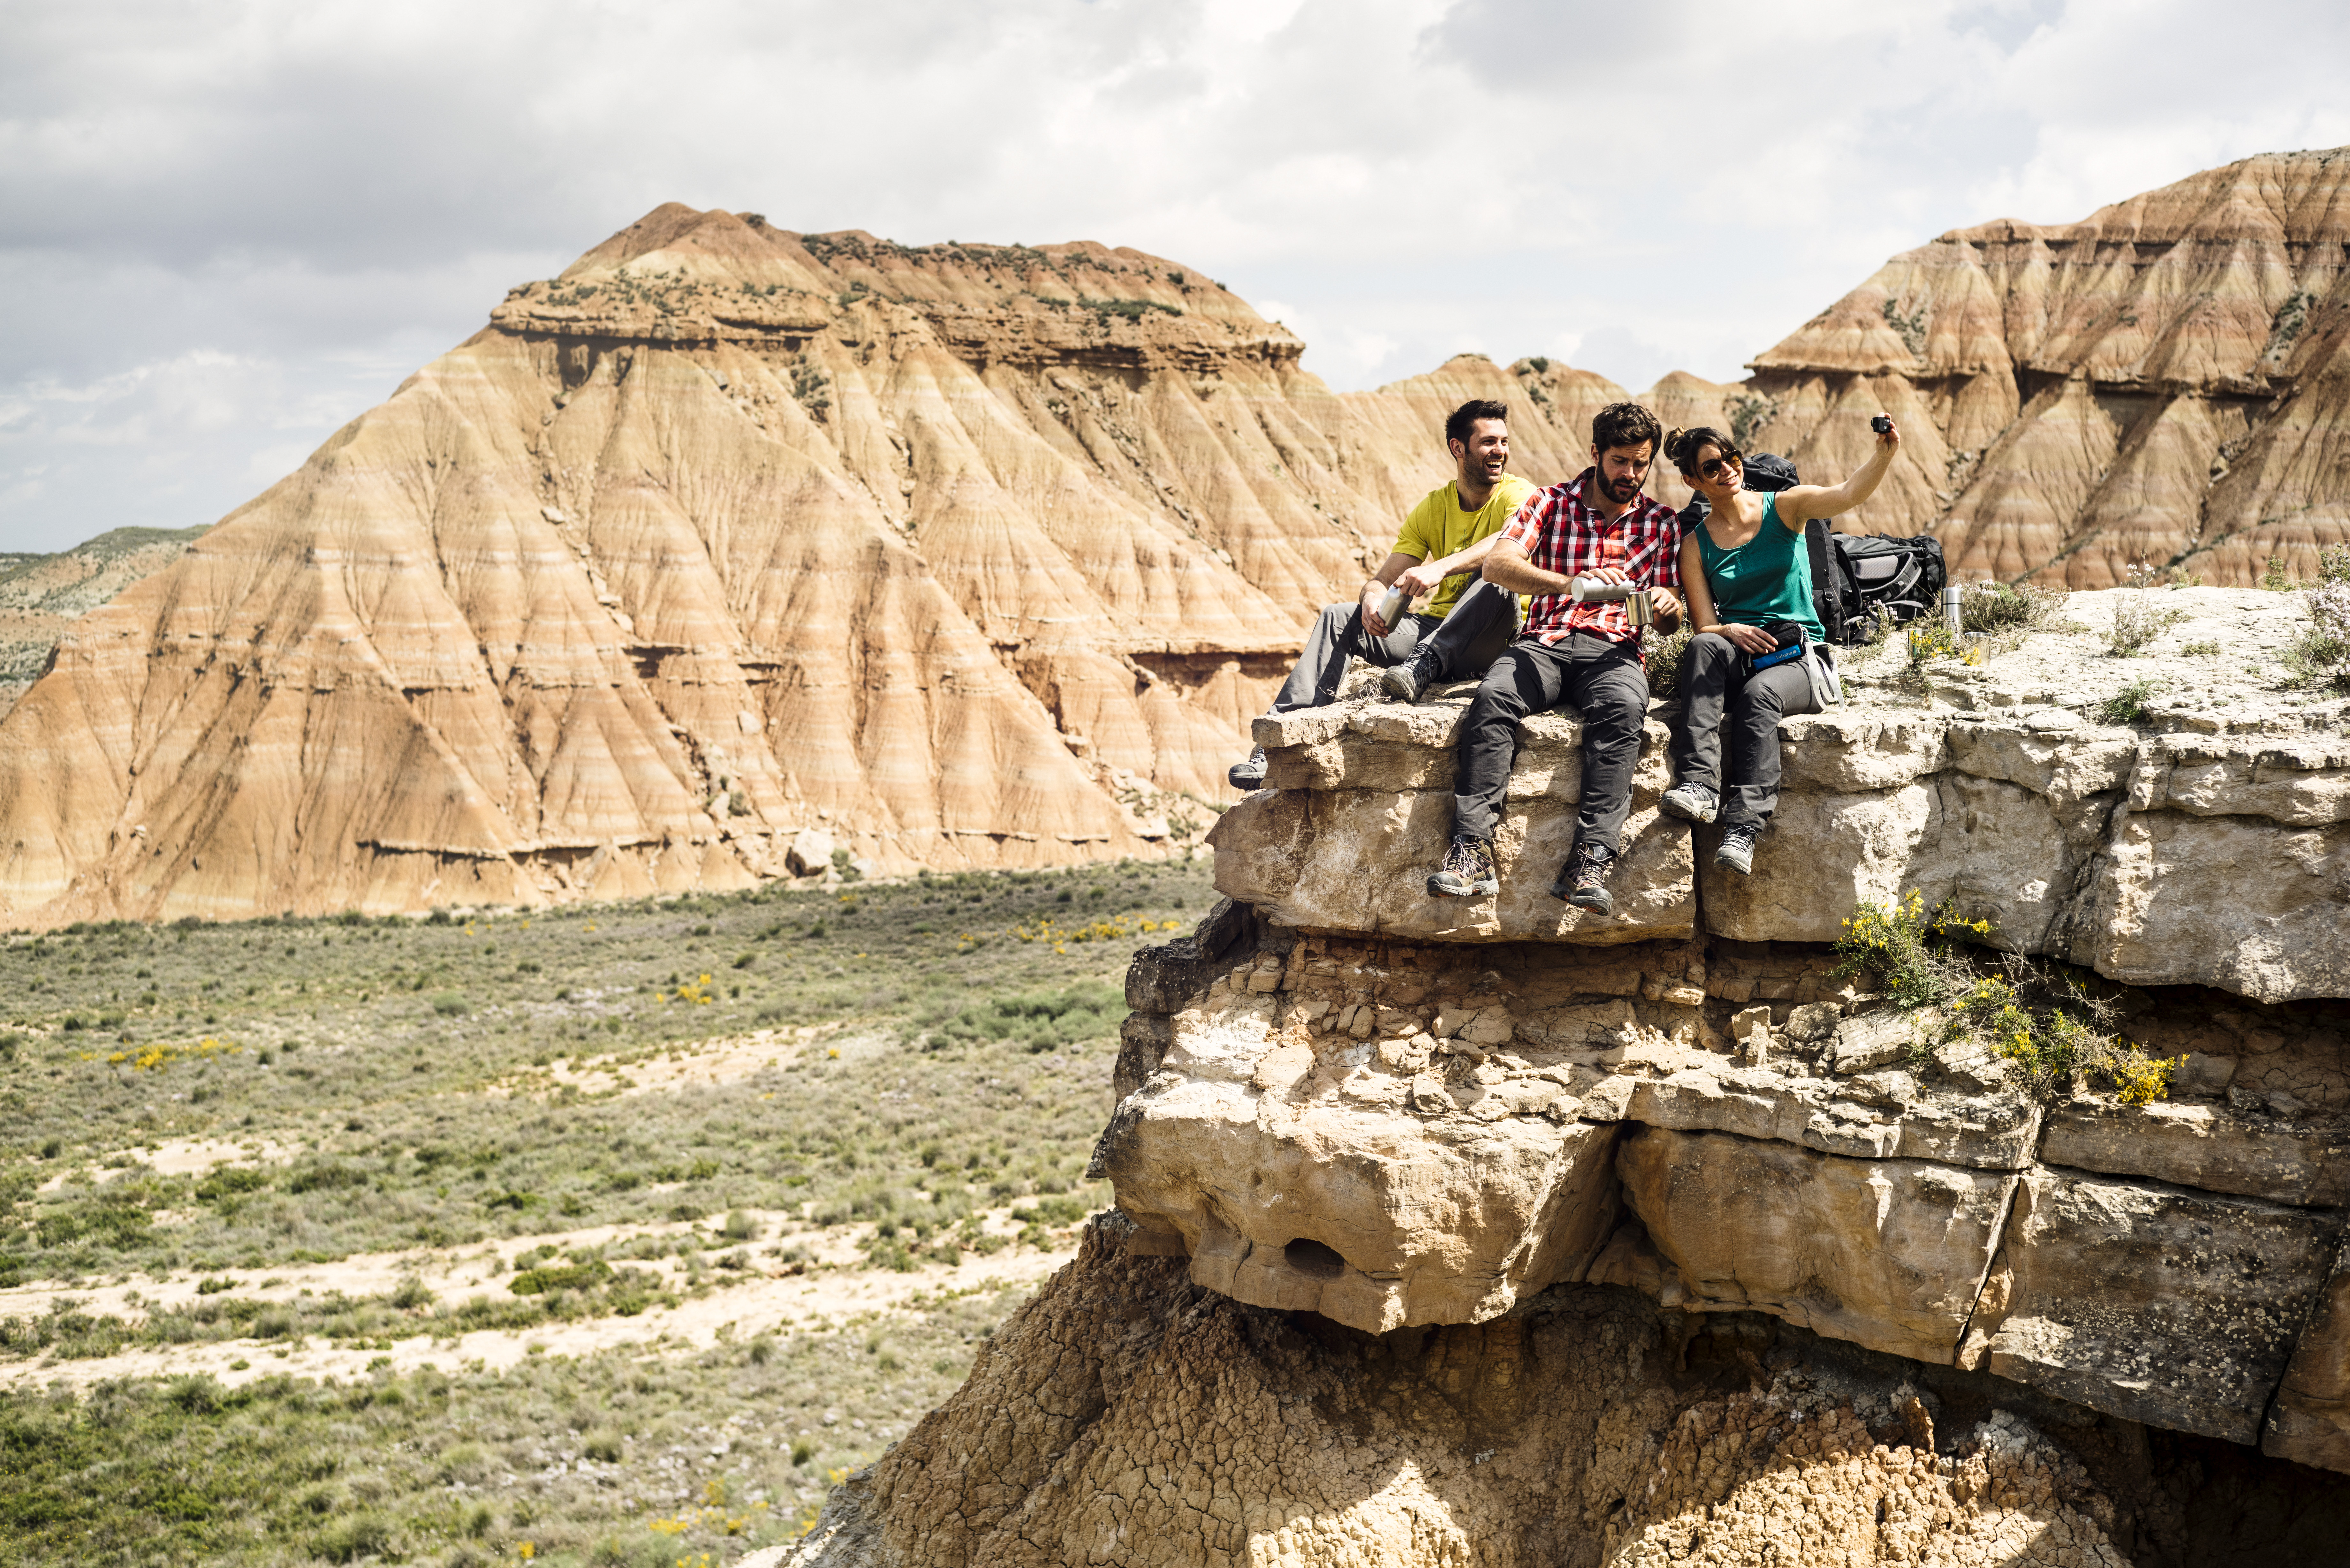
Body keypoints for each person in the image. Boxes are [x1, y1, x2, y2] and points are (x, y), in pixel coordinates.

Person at [1428, 402, 1684, 914]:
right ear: (1595, 454)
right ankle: (1471, 852)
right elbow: (1499, 566)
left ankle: (1591, 859)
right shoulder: (1550, 502)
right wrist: (1574, 586)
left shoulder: (1662, 522)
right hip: (1544, 641)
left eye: (1640, 464)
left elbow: (1674, 617)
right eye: (1619, 462)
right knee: (1495, 699)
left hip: (1615, 650)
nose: (1630, 475)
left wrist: (1665, 606)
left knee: (1623, 714)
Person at [1228, 400, 1535, 789]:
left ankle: (1424, 665)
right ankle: (1275, 745)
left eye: (1504, 442)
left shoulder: (1520, 494)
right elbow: (1380, 579)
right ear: (1459, 449)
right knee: (1338, 616)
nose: (1501, 452)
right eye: (1489, 442)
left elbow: (1508, 541)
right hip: (1435, 631)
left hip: (1492, 637)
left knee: (1496, 575)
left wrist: (1440, 566)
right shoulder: (1433, 507)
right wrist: (1372, 599)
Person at [1659, 416, 1902, 873]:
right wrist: (1730, 631)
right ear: (1693, 480)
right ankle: (1700, 786)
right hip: (1739, 654)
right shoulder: (1696, 546)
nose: (1728, 470)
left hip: (1799, 656)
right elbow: (1704, 629)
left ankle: (1744, 826)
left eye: (1731, 458)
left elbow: (1848, 494)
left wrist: (1885, 453)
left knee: (1759, 696)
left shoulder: (1785, 508)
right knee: (1702, 651)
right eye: (1712, 468)